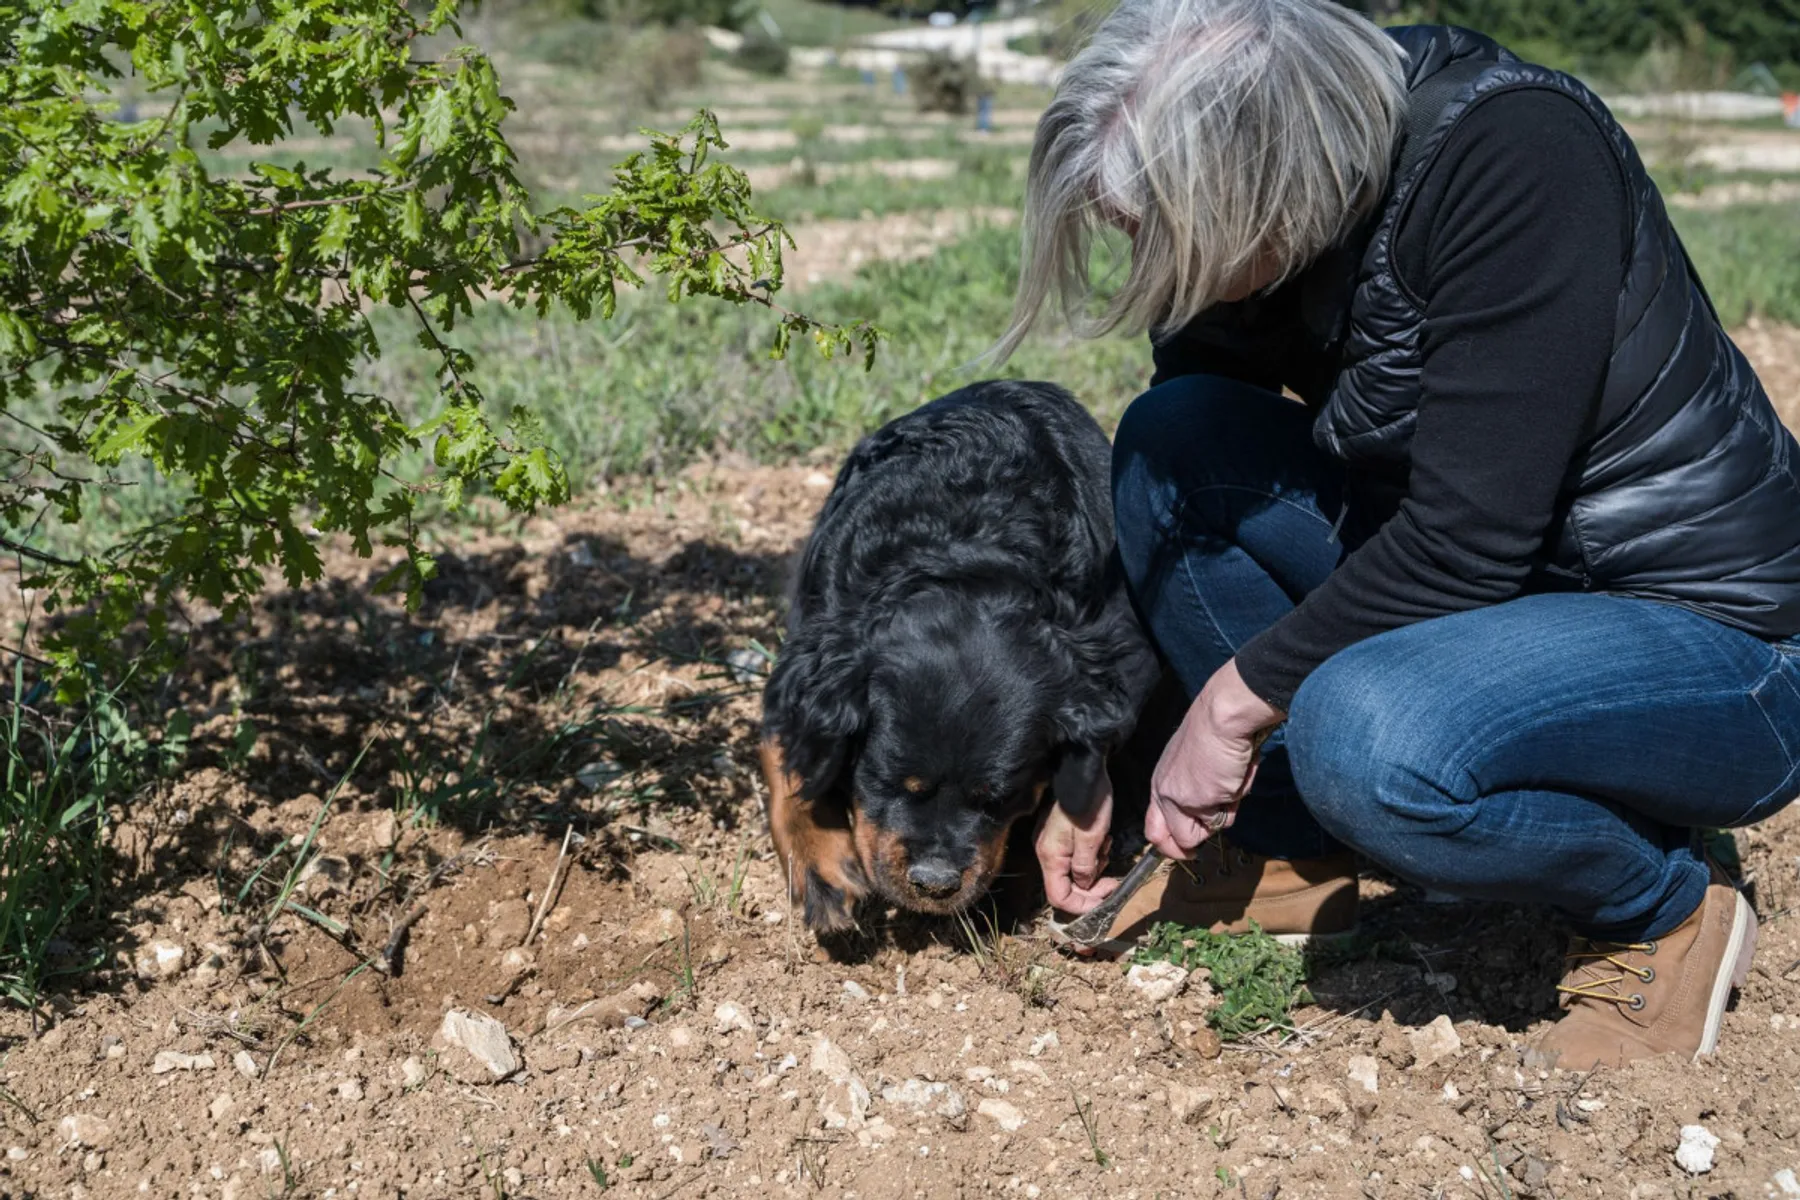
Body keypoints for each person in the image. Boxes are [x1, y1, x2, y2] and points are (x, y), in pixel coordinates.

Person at [1001, 0, 1800, 1070]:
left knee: (1361, 734)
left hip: (1713, 636)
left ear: (1269, 181)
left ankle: (1661, 903)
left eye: (1164, 233)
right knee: (1170, 448)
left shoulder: (1514, 154)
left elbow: (1468, 542)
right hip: (1496, 589)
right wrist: (1103, 751)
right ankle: (1295, 846)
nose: (1152, 262)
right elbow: (1203, 455)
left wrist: (1231, 708)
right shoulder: (1266, 199)